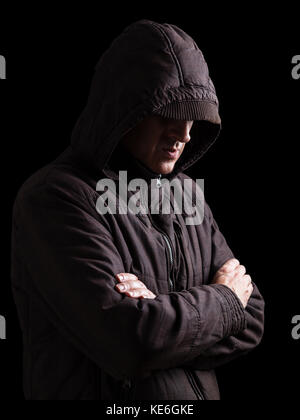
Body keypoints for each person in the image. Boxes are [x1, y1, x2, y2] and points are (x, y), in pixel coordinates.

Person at [11, 19, 264, 400]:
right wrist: (223, 301)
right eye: (168, 115)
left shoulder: (188, 197)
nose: (184, 134)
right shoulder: (54, 198)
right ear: (123, 111)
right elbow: (132, 341)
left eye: (192, 116)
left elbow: (254, 318)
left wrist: (163, 319)